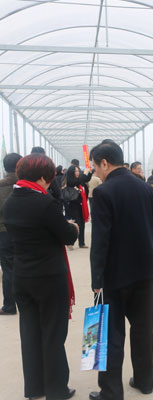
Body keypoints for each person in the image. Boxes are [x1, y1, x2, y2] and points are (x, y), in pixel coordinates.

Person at [88, 139, 153, 400]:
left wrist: (96, 279)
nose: (95, 172)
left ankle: (111, 392)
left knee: (110, 333)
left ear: (105, 163)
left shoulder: (103, 193)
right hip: (144, 271)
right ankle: (144, 381)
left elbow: (100, 241)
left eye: (95, 166)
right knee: (142, 329)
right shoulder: (146, 188)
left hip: (114, 275)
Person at [3, 153, 79, 400]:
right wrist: (74, 227)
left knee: (30, 334)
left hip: (22, 276)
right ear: (44, 177)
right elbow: (67, 236)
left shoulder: (10, 202)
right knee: (53, 334)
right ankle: (56, 389)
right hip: (49, 277)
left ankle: (34, 388)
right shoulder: (44, 203)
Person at [0, 153, 22, 315]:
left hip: (4, 232)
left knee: (8, 269)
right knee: (26, 266)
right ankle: (28, 302)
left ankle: (9, 306)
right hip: (24, 231)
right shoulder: (25, 185)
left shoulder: (1, 186)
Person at [64, 166, 89, 249]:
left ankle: (81, 243)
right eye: (75, 171)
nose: (77, 173)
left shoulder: (79, 181)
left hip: (81, 205)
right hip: (73, 205)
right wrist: (84, 174)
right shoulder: (70, 180)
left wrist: (89, 172)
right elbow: (78, 181)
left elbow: (86, 179)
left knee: (82, 224)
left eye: (78, 171)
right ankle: (70, 242)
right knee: (76, 224)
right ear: (71, 172)